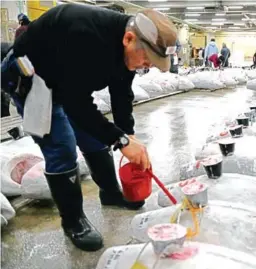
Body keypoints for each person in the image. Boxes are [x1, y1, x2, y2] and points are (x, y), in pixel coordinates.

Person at [1, 4, 177, 252]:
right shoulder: (84, 36)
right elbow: (77, 105)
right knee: (61, 147)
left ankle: (110, 193)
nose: (145, 65)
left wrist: (127, 135)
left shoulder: (130, 44)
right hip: (31, 78)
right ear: (129, 39)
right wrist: (121, 142)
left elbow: (121, 92)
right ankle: (73, 222)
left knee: (95, 137)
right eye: (147, 59)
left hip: (65, 80)